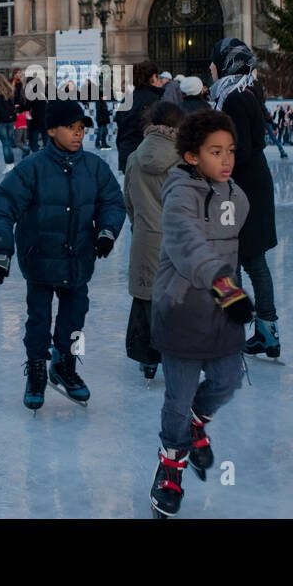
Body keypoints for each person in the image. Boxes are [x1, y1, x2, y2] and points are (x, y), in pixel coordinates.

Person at [0, 99, 125, 411]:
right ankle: (36, 368)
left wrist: (106, 231)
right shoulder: (31, 169)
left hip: (78, 259)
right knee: (38, 320)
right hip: (40, 259)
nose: (78, 135)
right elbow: (2, 207)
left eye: (81, 129)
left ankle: (65, 365)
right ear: (50, 130)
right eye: (70, 128)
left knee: (74, 318)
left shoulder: (95, 168)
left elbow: (113, 202)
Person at [148, 108, 252, 519]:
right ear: (192, 156)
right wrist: (227, 288)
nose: (227, 160)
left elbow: (237, 247)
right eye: (215, 152)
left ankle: (197, 422)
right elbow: (188, 246)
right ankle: (170, 467)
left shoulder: (236, 195)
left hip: (222, 312)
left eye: (230, 150)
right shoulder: (179, 195)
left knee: (227, 382)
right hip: (182, 311)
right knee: (177, 398)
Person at [208, 38, 279, 358]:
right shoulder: (246, 91)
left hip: (240, 191)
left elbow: (240, 150)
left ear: (227, 64)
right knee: (254, 259)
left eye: (214, 62)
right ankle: (267, 330)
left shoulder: (234, 98)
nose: (210, 68)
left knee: (229, 261)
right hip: (254, 187)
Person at [123, 101, 186, 381]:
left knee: (147, 299)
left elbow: (129, 201)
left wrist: (140, 227)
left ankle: (148, 360)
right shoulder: (186, 159)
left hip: (146, 237)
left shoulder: (135, 157)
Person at [116, 61, 164, 172]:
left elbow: (120, 128)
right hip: (146, 156)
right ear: (153, 77)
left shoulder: (127, 99)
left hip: (126, 154)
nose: (161, 80)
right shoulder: (155, 100)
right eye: (159, 77)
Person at [0, 73, 19, 169]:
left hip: (1, 120)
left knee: (5, 143)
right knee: (8, 142)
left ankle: (9, 164)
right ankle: (11, 164)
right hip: (10, 119)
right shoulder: (10, 90)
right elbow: (16, 102)